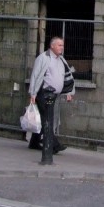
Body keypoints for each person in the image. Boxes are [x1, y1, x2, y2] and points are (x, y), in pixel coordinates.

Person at [27, 36, 73, 165]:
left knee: (44, 119)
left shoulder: (61, 60)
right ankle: (54, 145)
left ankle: (34, 142)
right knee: (47, 118)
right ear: (52, 46)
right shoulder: (43, 58)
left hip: (54, 95)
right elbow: (35, 75)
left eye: (62, 45)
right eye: (59, 45)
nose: (62, 48)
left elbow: (67, 76)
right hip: (43, 93)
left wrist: (69, 91)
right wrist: (33, 93)